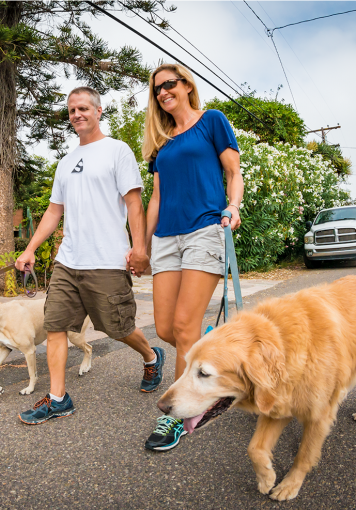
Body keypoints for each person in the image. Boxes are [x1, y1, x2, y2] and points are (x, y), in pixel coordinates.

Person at [15, 86, 165, 425]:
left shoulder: (117, 150)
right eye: (72, 110)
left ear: (98, 111)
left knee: (117, 327)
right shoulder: (65, 163)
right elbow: (54, 211)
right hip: (68, 261)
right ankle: (58, 399)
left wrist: (140, 249)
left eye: (83, 108)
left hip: (107, 260)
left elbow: (134, 203)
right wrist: (30, 248)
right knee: (55, 326)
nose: (77, 114)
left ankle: (151, 355)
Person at [140, 63, 244, 451]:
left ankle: (178, 415)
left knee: (185, 327)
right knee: (167, 328)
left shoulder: (211, 121)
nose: (163, 92)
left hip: (205, 228)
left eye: (169, 84)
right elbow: (156, 198)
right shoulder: (161, 142)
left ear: (186, 85)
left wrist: (233, 206)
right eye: (157, 89)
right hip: (166, 237)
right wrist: (142, 245)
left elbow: (234, 172)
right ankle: (214, 356)